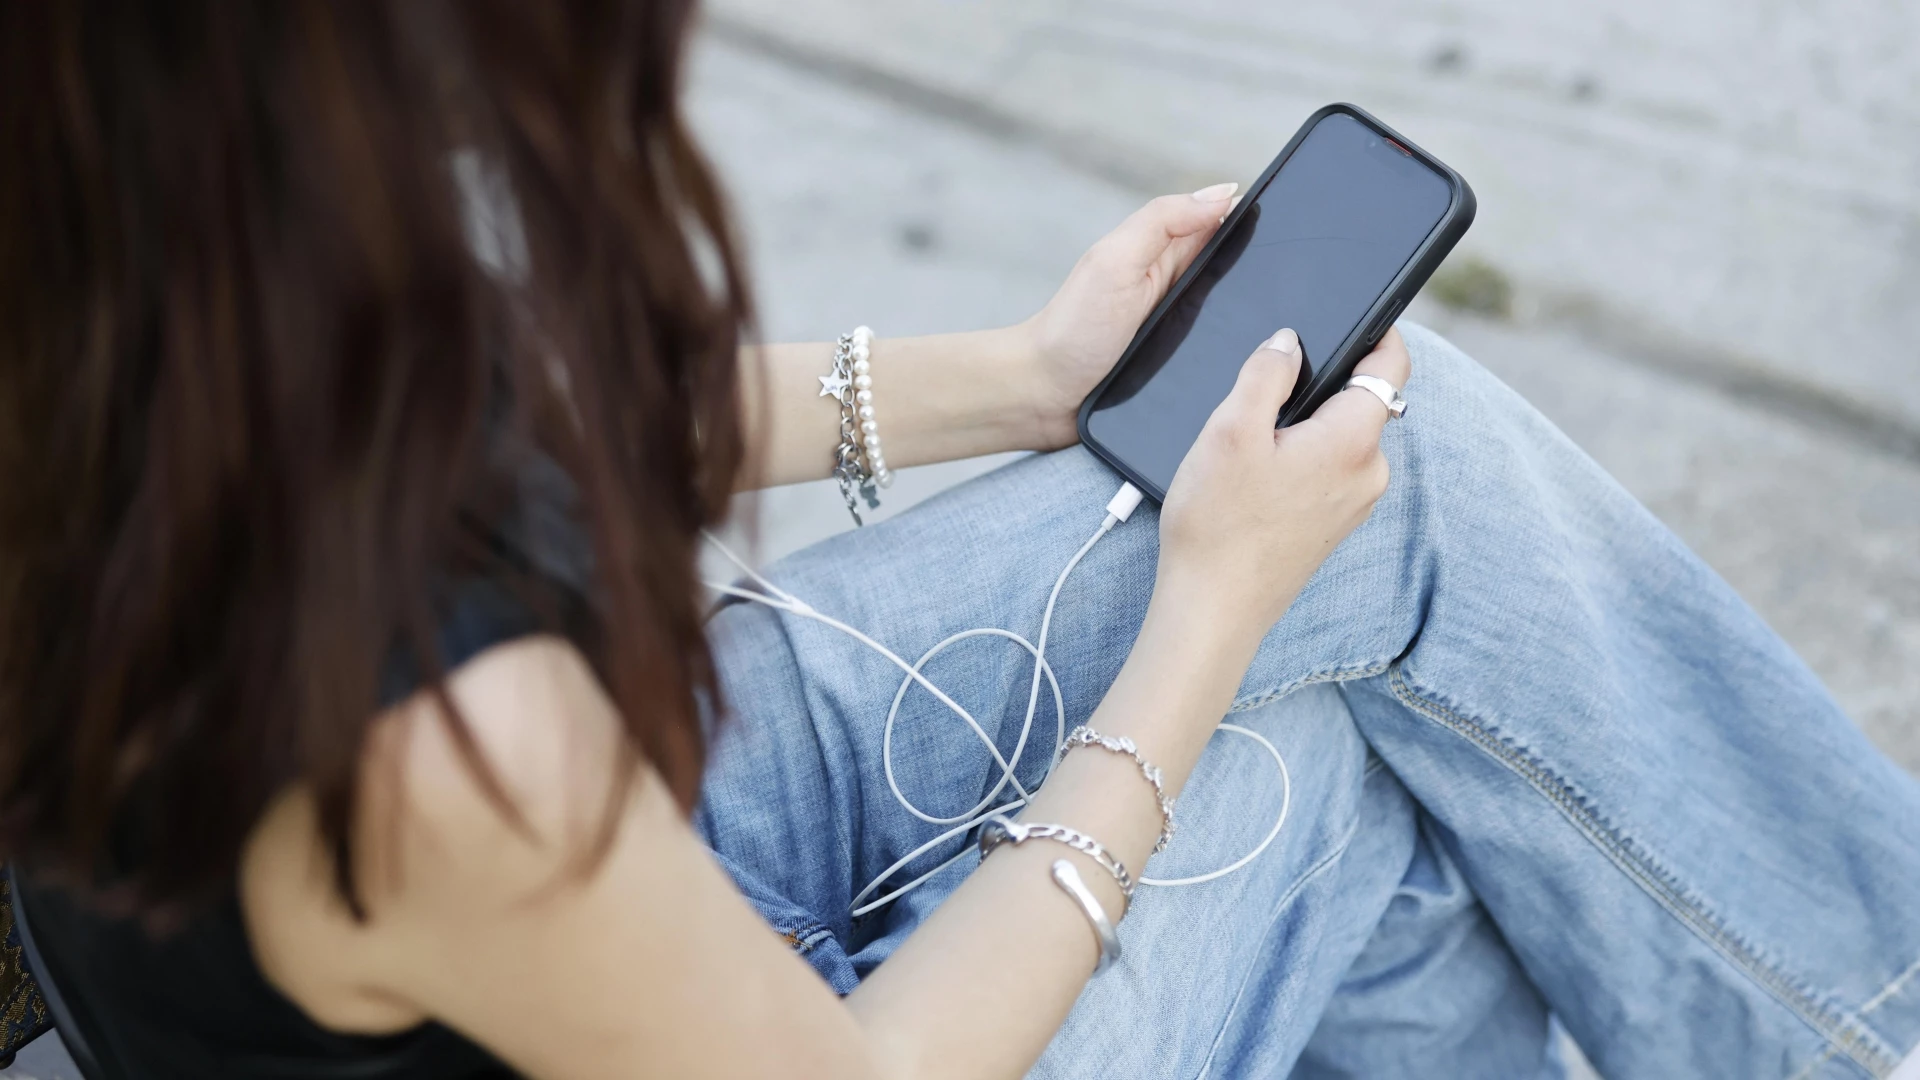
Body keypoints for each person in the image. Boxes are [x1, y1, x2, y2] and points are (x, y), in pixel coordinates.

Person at [2, 3, 1916, 1079]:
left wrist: (1025, 378)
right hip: (655, 986)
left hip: (597, 865)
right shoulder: (444, 751)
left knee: (1400, 480)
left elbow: (491, 426)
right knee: (1329, 786)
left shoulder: (124, 275)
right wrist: (1207, 615)